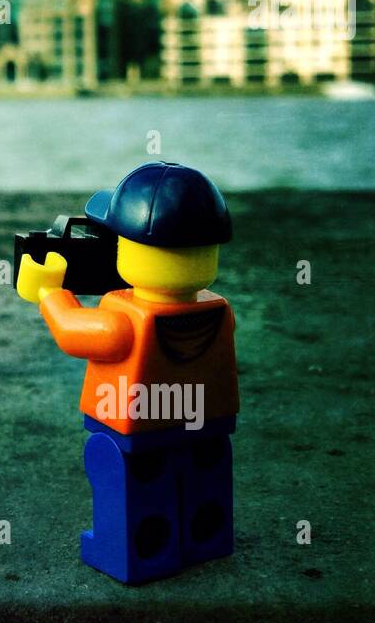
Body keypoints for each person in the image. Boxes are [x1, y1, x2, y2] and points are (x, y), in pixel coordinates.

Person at [18, 161, 238, 583]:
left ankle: (137, 552)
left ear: (133, 249)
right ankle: (205, 540)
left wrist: (48, 292)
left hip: (135, 432)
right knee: (201, 486)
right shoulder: (218, 311)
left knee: (134, 491)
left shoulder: (123, 322)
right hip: (208, 425)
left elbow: (72, 333)